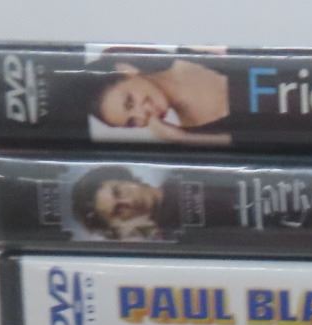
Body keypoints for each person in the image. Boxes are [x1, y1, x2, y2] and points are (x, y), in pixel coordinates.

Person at [83, 54, 232, 145]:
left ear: (126, 70)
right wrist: (184, 138)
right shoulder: (193, 134)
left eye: (130, 102)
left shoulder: (194, 51)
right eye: (132, 122)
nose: (141, 116)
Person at [71, 166, 173, 240]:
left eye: (118, 192)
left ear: (126, 178)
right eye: (119, 211)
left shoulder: (177, 178)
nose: (129, 202)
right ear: (117, 228)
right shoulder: (164, 238)